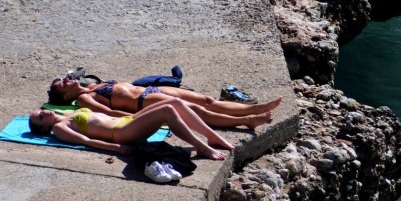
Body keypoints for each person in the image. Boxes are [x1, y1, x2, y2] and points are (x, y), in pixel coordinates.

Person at [29, 97, 232, 161]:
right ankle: (201, 147)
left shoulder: (66, 114)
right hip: (122, 133)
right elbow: (86, 142)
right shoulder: (59, 128)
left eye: (39, 112)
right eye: (40, 118)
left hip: (127, 121)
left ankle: (212, 137)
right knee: (168, 111)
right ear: (44, 128)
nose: (42, 113)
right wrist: (118, 149)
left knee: (175, 102)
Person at [47, 76, 282, 129]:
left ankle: (255, 108)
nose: (67, 80)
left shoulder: (91, 84)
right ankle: (246, 120)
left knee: (207, 99)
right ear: (65, 97)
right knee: (197, 110)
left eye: (65, 78)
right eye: (62, 84)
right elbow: (109, 111)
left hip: (151, 90)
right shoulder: (83, 98)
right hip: (144, 101)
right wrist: (137, 121)